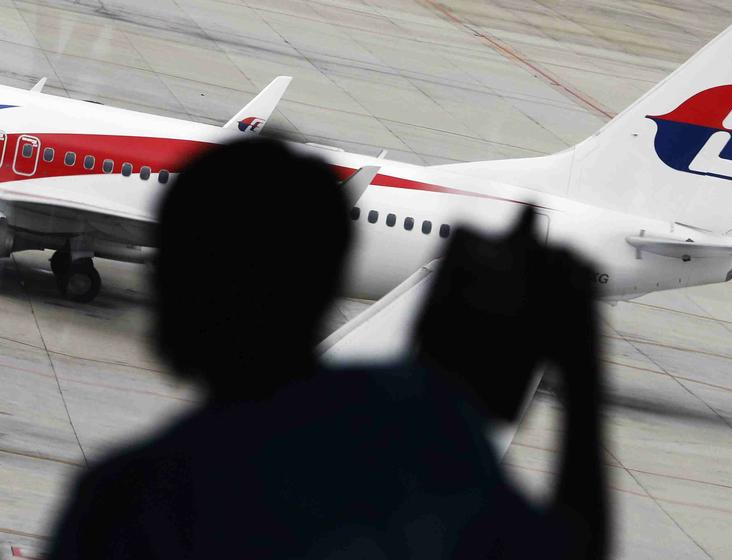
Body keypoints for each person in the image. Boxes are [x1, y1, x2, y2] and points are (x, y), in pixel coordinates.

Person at [48, 137, 608, 559]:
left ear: (176, 294)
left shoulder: (133, 496)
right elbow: (567, 545)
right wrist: (578, 367)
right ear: (323, 290)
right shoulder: (420, 447)